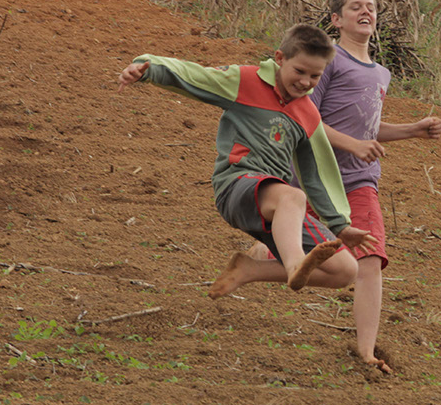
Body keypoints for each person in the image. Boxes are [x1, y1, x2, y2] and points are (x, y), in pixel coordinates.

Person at [252, 0, 441, 375]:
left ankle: (367, 351)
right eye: (355, 7)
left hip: (359, 180)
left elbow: (367, 127)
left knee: (369, 258)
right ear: (336, 20)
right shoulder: (329, 62)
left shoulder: (381, 72)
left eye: (371, 6)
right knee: (298, 251)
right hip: (315, 175)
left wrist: (412, 130)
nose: (365, 11)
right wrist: (354, 144)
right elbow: (306, 116)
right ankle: (257, 261)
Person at [117, 23, 376, 300]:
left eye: (315, 76)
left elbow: (317, 174)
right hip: (236, 186)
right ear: (280, 59)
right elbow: (195, 76)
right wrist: (146, 68)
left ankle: (250, 269)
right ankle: (295, 264)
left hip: (273, 207)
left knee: (345, 270)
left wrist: (340, 225)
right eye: (299, 71)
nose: (305, 82)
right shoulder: (245, 81)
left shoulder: (309, 114)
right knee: (293, 196)